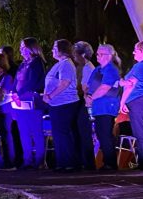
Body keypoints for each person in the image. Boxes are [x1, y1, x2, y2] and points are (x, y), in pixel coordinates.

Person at [10, 38, 47, 170]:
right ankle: (27, 160)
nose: (21, 50)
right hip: (20, 103)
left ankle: (39, 160)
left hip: (32, 102)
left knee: (36, 131)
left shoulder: (37, 63)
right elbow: (16, 81)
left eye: (23, 47)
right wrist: (13, 93)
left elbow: (34, 82)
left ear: (31, 48)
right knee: (24, 132)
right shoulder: (23, 64)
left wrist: (21, 94)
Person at [44, 40, 81, 171]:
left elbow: (65, 82)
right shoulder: (59, 64)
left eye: (55, 47)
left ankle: (69, 162)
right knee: (58, 133)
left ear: (62, 49)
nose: (52, 50)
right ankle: (62, 162)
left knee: (63, 132)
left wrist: (50, 96)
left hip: (65, 103)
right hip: (56, 104)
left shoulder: (66, 64)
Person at [87, 43, 122, 170]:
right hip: (97, 107)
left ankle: (110, 163)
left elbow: (105, 87)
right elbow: (89, 85)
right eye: (97, 54)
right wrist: (87, 96)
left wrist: (91, 98)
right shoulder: (97, 69)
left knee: (105, 133)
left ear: (109, 55)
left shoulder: (111, 69)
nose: (98, 56)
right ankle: (107, 161)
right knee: (100, 133)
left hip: (107, 106)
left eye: (101, 54)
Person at [120, 40, 143, 170]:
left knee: (141, 133)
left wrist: (122, 102)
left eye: (136, 50)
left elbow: (130, 84)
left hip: (138, 101)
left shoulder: (141, 65)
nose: (133, 53)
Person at [72, 41, 98, 171]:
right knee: (80, 131)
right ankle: (83, 161)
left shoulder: (88, 68)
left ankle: (88, 162)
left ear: (82, 54)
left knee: (84, 132)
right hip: (81, 101)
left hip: (85, 102)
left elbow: (84, 87)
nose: (74, 57)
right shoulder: (81, 67)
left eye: (75, 54)